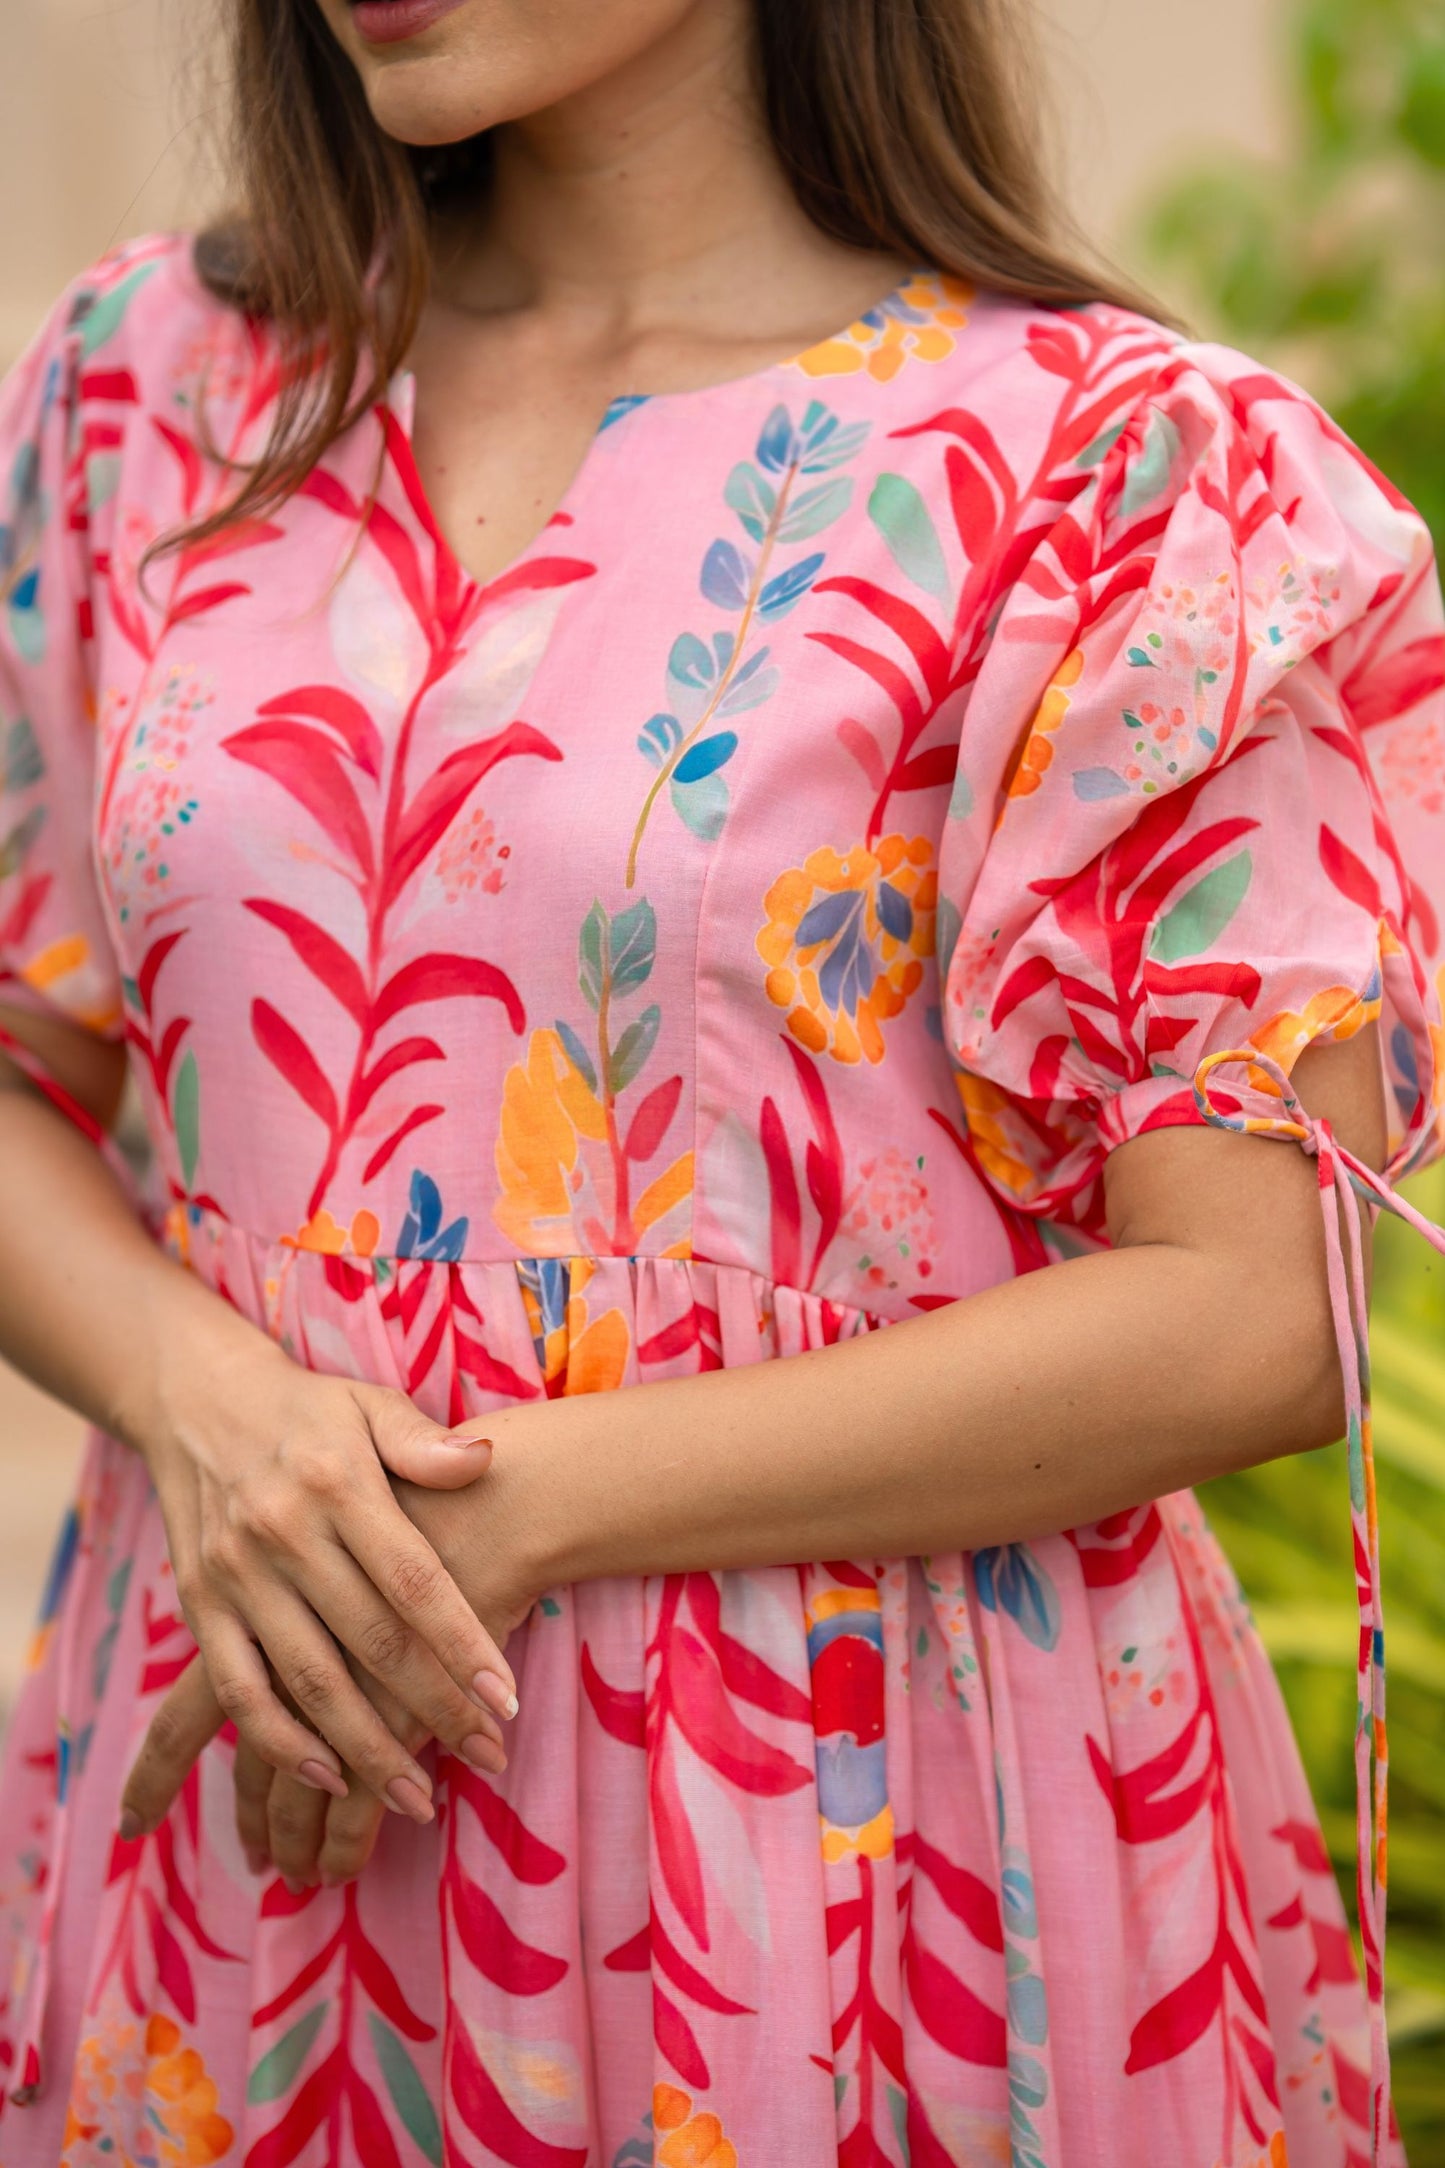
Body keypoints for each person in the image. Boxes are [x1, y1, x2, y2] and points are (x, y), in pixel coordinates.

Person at [1, 0, 1442, 2160]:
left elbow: (1258, 1305)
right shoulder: (150, 391)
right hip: (238, 1781)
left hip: (860, 1842)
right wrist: (219, 1417)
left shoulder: (1116, 471)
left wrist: (504, 1519)